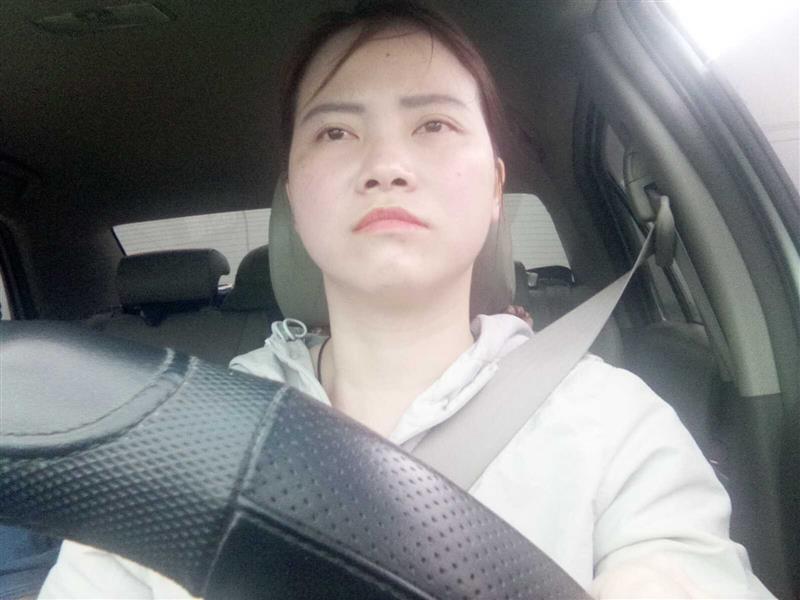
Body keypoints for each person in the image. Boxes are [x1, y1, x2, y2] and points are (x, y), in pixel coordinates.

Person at [39, 1, 774, 598]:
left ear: (494, 189)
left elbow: (680, 563)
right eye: (335, 131)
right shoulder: (178, 439)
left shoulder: (613, 423)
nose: (386, 164)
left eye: (434, 124)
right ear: (294, 194)